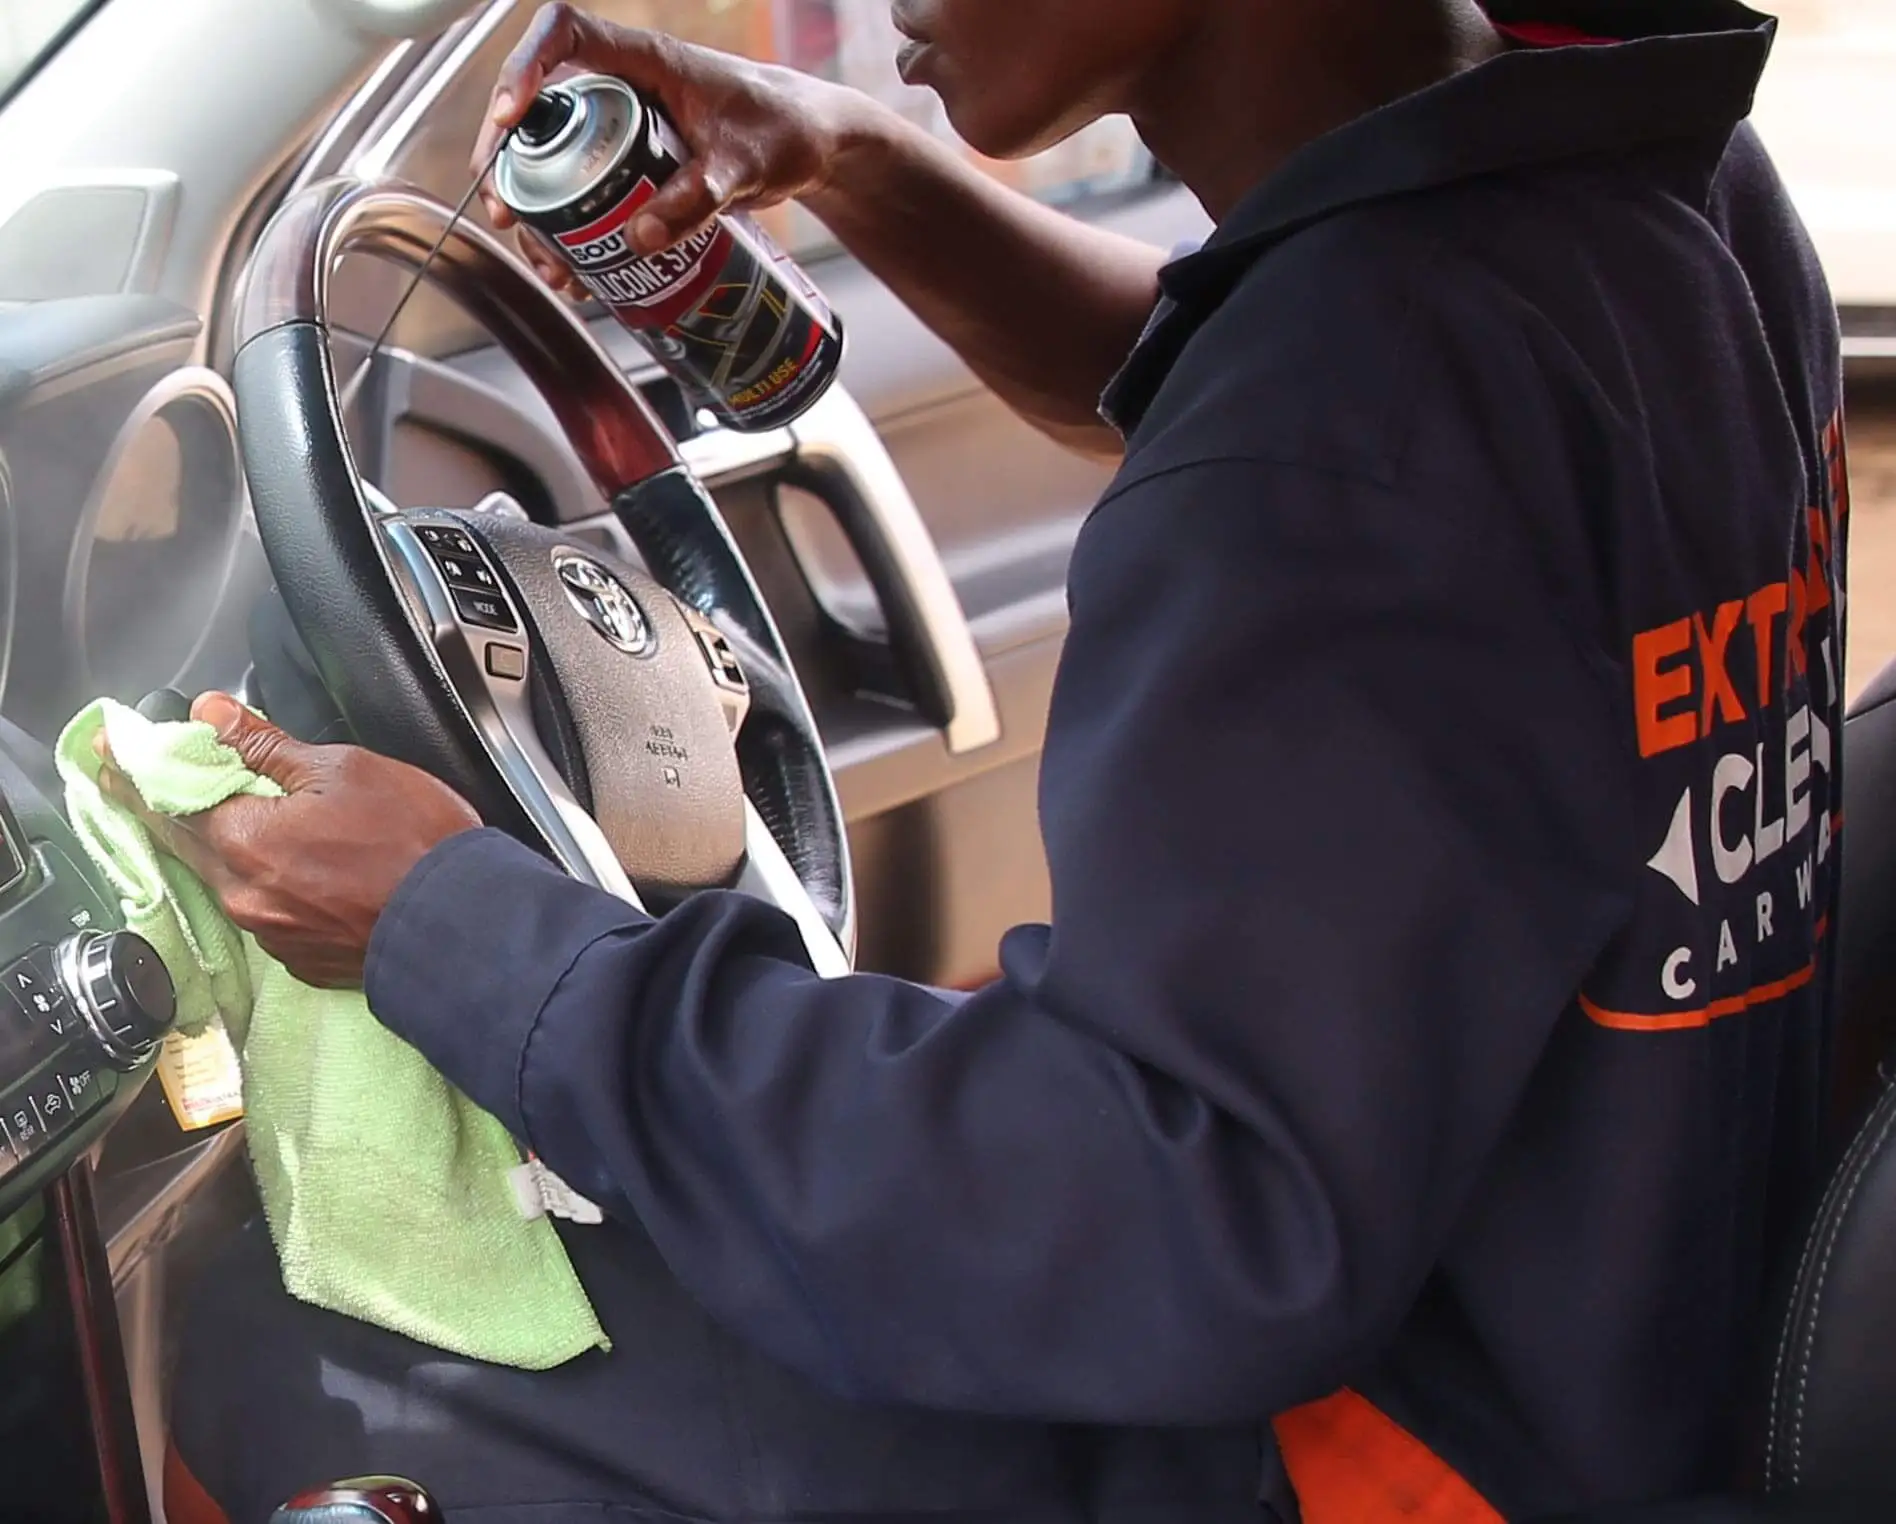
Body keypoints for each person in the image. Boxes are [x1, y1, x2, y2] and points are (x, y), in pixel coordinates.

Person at [142, 1, 1851, 1520]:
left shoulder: (1333, 445)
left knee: (285, 1350)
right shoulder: (1646, 200)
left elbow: (1166, 1225)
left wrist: (461, 928)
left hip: (1385, 1452)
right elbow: (1218, 373)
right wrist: (866, 163)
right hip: (1608, 1316)